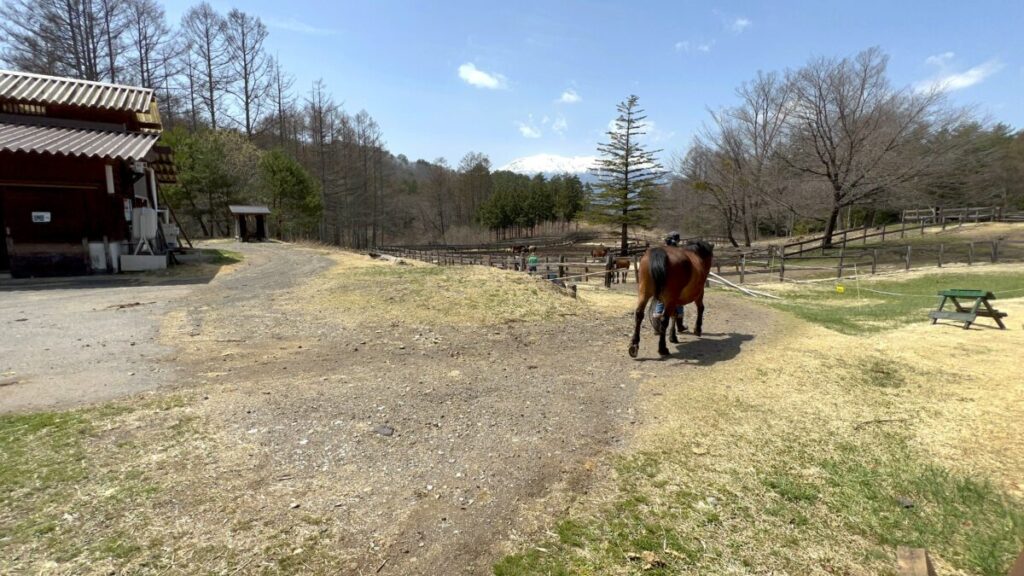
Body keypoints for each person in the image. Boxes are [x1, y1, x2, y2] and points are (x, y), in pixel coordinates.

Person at [653, 232, 685, 330]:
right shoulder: (678, 252)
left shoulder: (661, 251)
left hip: (661, 281)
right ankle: (679, 325)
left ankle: (656, 325)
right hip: (675, 281)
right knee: (678, 300)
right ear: (677, 240)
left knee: (660, 300)